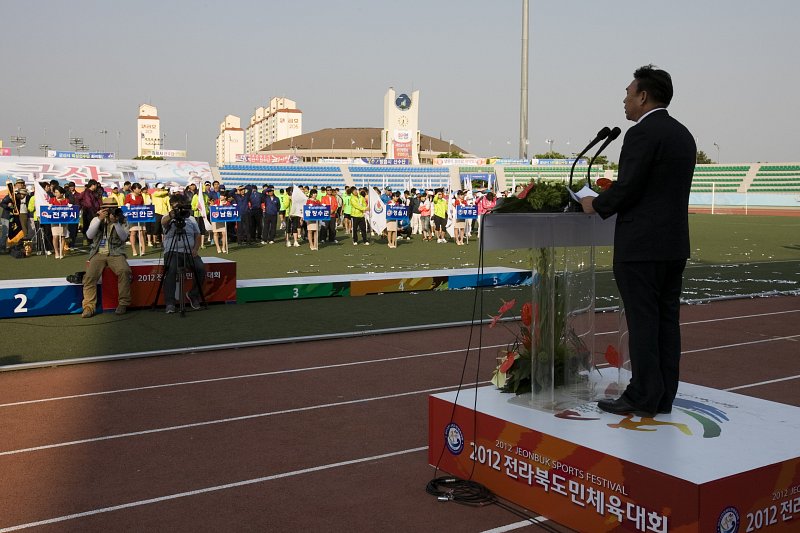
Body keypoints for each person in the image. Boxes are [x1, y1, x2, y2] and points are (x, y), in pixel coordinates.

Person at [580, 64, 696, 417]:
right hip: (673, 245)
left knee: (643, 323)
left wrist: (594, 203)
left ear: (644, 96)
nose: (625, 100)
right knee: (665, 323)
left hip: (641, 248)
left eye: (629, 93)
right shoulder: (683, 134)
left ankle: (643, 394)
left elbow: (630, 187)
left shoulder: (643, 133)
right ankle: (662, 395)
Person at [81, 197, 131, 318]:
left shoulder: (122, 219)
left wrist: (115, 222)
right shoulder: (96, 219)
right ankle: (89, 306)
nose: (109, 212)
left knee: (124, 271)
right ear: (102, 209)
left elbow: (124, 237)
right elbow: (89, 235)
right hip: (98, 252)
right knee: (89, 276)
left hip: (116, 252)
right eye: (106, 209)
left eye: (112, 209)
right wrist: (99, 219)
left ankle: (123, 303)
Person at [161, 194, 206, 313]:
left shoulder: (190, 219)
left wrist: (196, 249)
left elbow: (197, 235)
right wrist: (172, 215)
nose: (179, 209)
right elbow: (163, 222)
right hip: (172, 251)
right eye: (176, 206)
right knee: (171, 270)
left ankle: (193, 294)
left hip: (189, 252)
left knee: (200, 268)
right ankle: (170, 303)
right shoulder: (168, 217)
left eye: (181, 206)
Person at [125, 182, 147, 256]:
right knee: (133, 232)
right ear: (134, 189)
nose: (140, 190)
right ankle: (134, 250)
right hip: (132, 216)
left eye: (140, 188)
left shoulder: (141, 196)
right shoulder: (129, 196)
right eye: (139, 188)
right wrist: (128, 206)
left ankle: (143, 250)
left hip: (140, 216)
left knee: (141, 232)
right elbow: (126, 204)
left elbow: (143, 205)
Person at [48, 186, 70, 259]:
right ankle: (56, 252)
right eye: (55, 192)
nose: (56, 193)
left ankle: (61, 251)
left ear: (62, 193)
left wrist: (70, 207)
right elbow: (49, 209)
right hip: (54, 221)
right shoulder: (52, 200)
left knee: (63, 236)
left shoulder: (66, 200)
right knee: (55, 236)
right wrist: (50, 207)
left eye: (57, 192)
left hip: (64, 220)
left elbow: (69, 210)